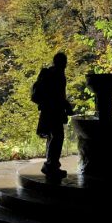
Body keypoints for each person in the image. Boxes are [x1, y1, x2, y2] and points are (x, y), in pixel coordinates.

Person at [31, 52, 74, 180]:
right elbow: (58, 95)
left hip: (47, 110)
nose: (66, 64)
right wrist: (67, 107)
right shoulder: (58, 75)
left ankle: (51, 165)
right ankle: (51, 166)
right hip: (54, 111)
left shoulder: (49, 73)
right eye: (65, 62)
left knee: (52, 137)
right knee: (58, 137)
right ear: (62, 62)